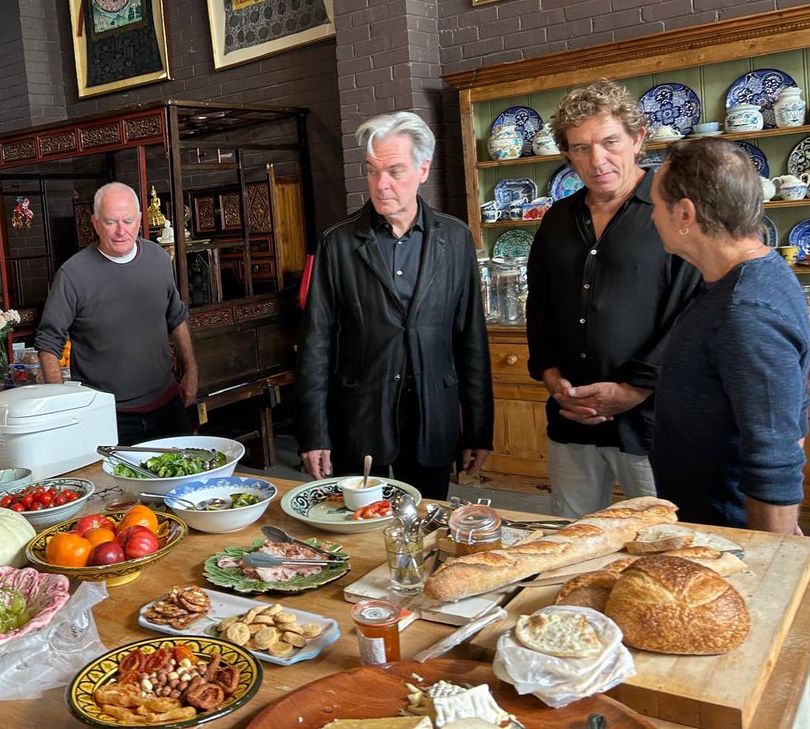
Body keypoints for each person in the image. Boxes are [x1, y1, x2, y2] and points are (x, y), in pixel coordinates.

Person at [526, 80, 700, 518]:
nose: (596, 160)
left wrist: (633, 389)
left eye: (609, 142)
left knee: (664, 544)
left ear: (637, 138)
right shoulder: (557, 220)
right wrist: (550, 377)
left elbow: (692, 313)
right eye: (580, 148)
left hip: (652, 423)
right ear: (567, 153)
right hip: (571, 420)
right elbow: (540, 307)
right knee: (571, 543)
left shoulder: (678, 210)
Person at [298, 112, 493, 501]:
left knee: (427, 529)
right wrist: (313, 433)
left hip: (432, 416)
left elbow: (471, 337)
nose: (381, 185)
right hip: (359, 416)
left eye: (395, 171)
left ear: (423, 169)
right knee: (356, 528)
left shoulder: (455, 239)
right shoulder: (337, 243)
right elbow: (316, 343)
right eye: (372, 172)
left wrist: (478, 428)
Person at [650, 140, 809, 532]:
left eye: (654, 205)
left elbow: (774, 455)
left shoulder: (746, 312)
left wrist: (772, 560)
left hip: (730, 532)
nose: (651, 216)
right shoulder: (735, 280)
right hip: (707, 522)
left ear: (685, 213)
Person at [36, 182, 197, 443]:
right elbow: (48, 343)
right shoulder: (73, 274)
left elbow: (176, 317)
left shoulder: (158, 258)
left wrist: (191, 370)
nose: (122, 231)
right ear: (96, 223)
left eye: (128, 220)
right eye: (111, 222)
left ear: (140, 220)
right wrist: (64, 405)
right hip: (105, 414)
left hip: (166, 404)